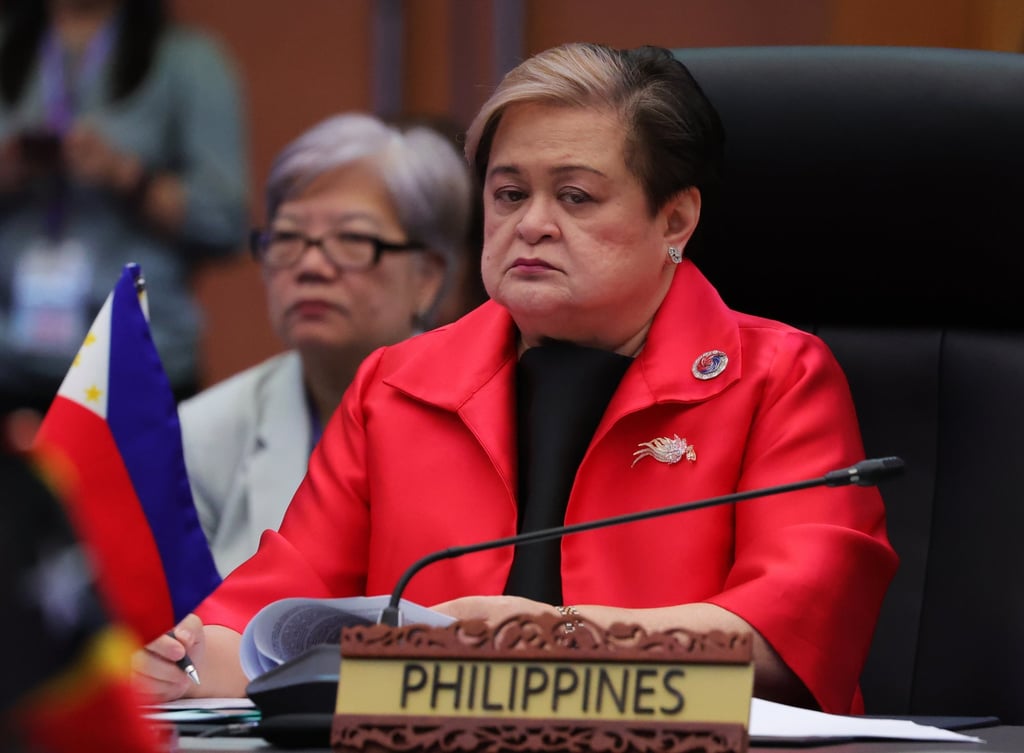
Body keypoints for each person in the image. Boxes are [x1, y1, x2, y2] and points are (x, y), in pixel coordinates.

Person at [134, 42, 898, 716]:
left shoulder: (777, 378)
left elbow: (788, 635)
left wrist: (548, 638)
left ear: (675, 220)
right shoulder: (397, 384)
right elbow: (264, 621)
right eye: (508, 194)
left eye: (575, 196)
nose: (531, 223)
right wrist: (176, 662)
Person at [178, 112, 474, 576]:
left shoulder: (486, 421)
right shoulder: (203, 434)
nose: (311, 266)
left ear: (427, 278)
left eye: (352, 238)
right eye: (288, 237)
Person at [0, 0, 248, 418]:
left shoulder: (187, 59)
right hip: (9, 363)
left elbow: (224, 222)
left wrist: (126, 177)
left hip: (137, 363)